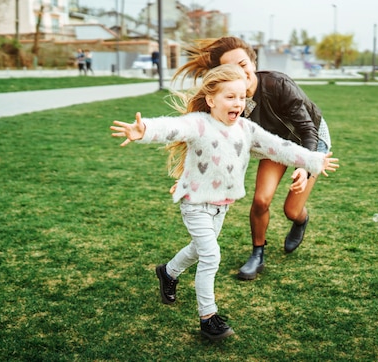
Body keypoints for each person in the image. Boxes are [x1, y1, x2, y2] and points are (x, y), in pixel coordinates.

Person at [110, 64, 339, 341]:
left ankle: (168, 272)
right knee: (211, 255)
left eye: (242, 97)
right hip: (195, 205)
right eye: (230, 97)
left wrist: (313, 160)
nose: (238, 103)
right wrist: (144, 129)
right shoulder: (198, 124)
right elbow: (172, 127)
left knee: (197, 250)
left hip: (222, 206)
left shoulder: (246, 129)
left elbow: (280, 147)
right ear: (211, 100)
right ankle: (208, 318)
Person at [173, 36, 332, 281]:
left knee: (291, 210)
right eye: (232, 68)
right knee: (260, 200)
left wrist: (306, 165)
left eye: (244, 64)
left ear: (252, 62)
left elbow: (307, 129)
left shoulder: (277, 84)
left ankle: (300, 219)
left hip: (308, 140)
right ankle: (257, 254)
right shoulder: (228, 100)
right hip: (275, 146)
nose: (241, 72)